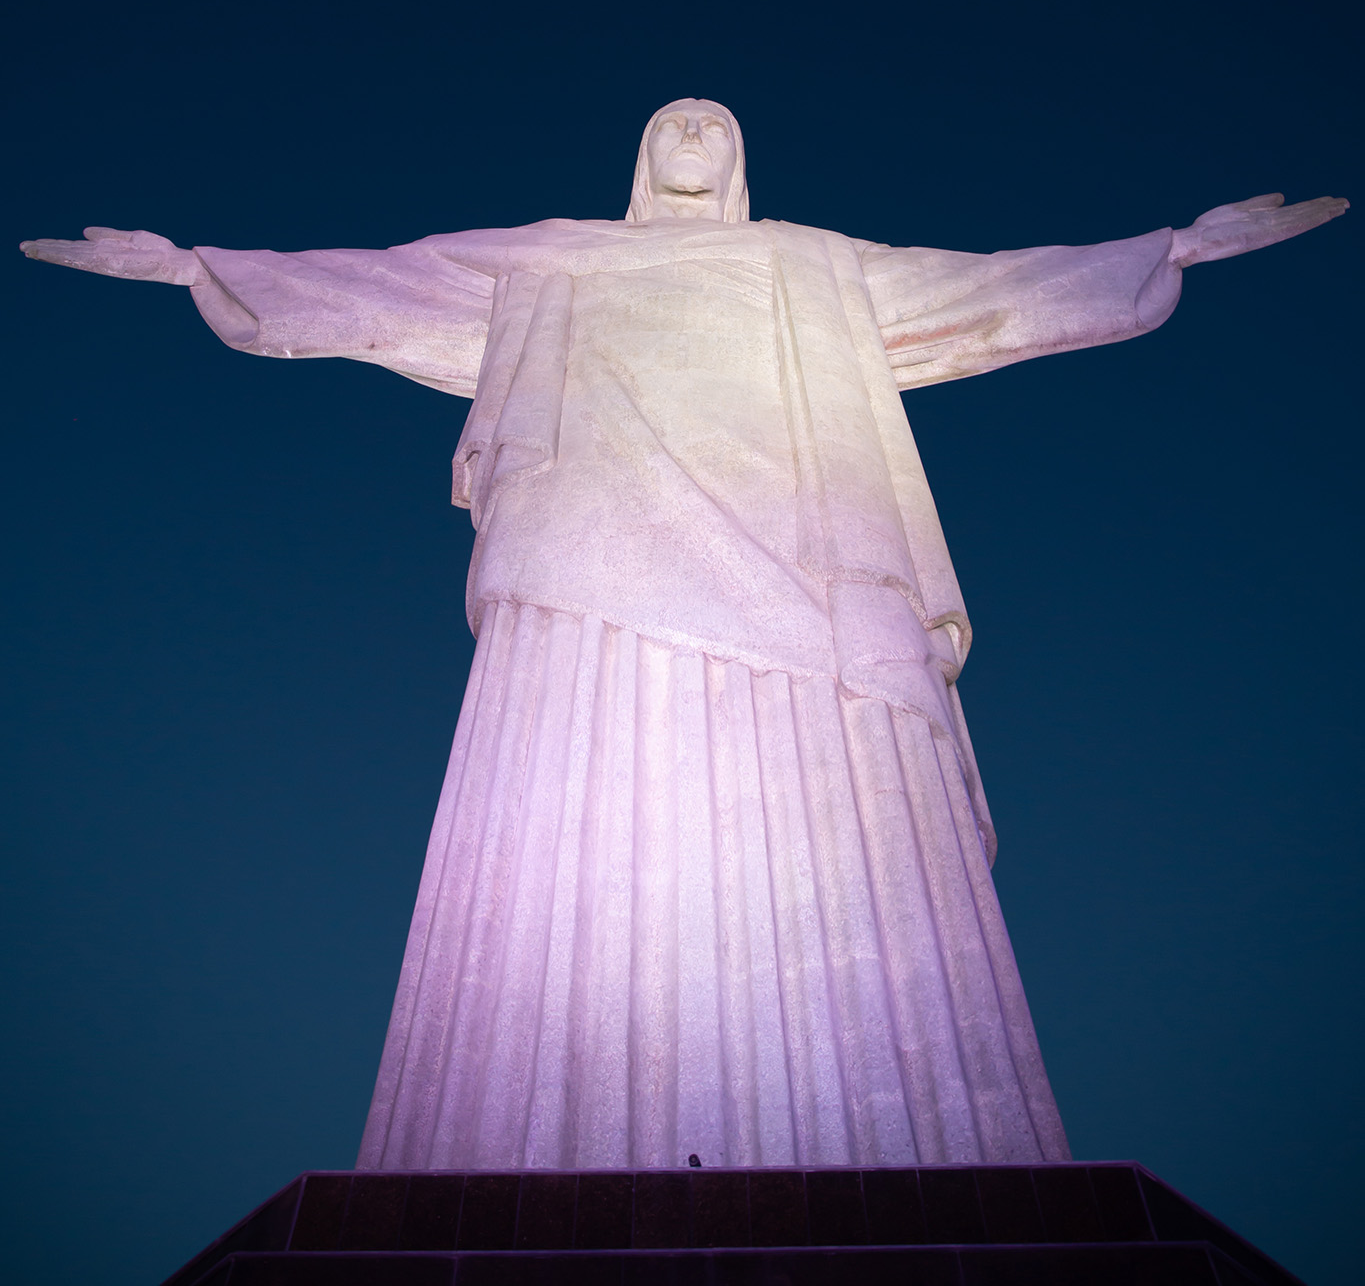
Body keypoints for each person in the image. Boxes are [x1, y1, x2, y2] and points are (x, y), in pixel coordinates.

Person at [22, 100, 1346, 1173]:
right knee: (581, 804)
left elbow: (993, 290)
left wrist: (1167, 250)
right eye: (674, 123)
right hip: (586, 563)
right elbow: (378, 283)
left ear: (744, 155)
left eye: (716, 123)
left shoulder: (811, 264)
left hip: (804, 568)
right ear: (642, 153)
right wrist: (199, 267)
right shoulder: (552, 256)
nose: (696, 137)